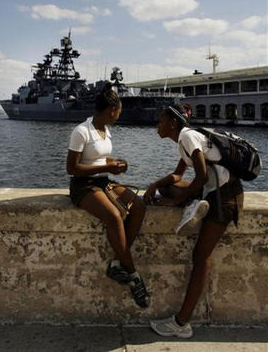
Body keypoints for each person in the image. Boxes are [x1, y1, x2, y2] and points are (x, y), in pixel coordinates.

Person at [144, 104, 243, 338]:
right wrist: (156, 185)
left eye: (161, 121)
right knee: (168, 187)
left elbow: (199, 174)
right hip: (216, 192)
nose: (158, 125)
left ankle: (181, 323)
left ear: (173, 123)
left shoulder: (187, 137)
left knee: (201, 257)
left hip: (223, 198)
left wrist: (171, 203)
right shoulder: (186, 140)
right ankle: (194, 205)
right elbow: (178, 176)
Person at [66, 83, 150, 308]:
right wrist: (107, 168)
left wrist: (116, 164)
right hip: (84, 185)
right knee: (114, 216)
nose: (120, 114)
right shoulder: (81, 131)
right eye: (119, 110)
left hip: (103, 181)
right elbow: (72, 168)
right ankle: (133, 274)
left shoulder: (105, 130)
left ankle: (117, 262)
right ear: (112, 110)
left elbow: (100, 159)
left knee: (139, 205)